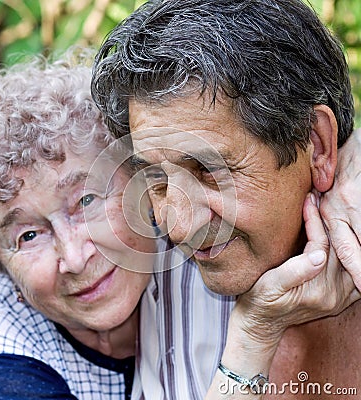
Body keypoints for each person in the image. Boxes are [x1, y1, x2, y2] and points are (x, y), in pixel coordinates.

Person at [92, 0, 361, 397]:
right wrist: (255, 330)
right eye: (156, 179)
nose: (179, 226)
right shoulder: (149, 277)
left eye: (209, 171)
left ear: (316, 144)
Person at [0, 53, 239, 399]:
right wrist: (252, 344)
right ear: (0, 267)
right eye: (28, 236)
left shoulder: (193, 227)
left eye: (86, 201)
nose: (75, 258)